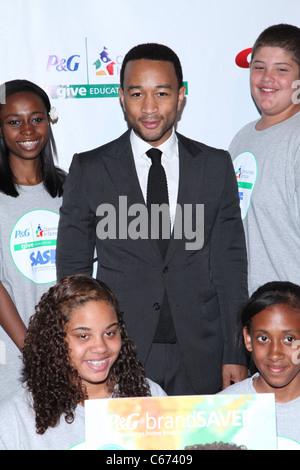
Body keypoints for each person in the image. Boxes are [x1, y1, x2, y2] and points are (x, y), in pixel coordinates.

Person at [56, 43, 248, 396]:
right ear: (121, 98)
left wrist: (235, 350)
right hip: (117, 351)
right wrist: (79, 353)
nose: (149, 107)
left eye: (161, 93)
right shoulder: (90, 168)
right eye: (136, 94)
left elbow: (230, 267)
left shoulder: (214, 166)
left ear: (181, 96)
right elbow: (72, 272)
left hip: (203, 351)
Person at [0, 274, 166, 450]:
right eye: (83, 336)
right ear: (54, 339)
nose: (100, 347)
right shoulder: (15, 418)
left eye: (110, 333)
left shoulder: (150, 397)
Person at [0, 79, 65, 400]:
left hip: (71, 350)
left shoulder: (72, 188)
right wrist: (33, 350)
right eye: (14, 122)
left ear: (49, 121)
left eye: (36, 119)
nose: (27, 130)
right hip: (13, 356)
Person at [229, 24, 300, 295]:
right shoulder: (242, 138)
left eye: (281, 69)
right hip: (253, 312)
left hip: (291, 314)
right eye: (259, 67)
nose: (267, 78)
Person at [219, 281, 300, 446]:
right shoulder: (221, 411)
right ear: (248, 339)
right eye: (263, 338)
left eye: (289, 339)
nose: (275, 354)